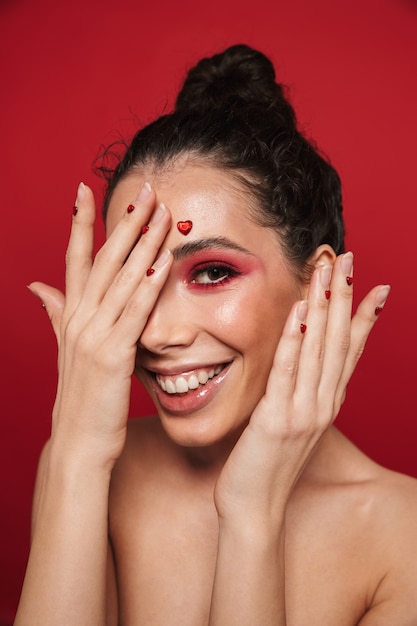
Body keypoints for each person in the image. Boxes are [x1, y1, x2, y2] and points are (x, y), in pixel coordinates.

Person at [15, 44, 417, 625]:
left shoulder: (402, 535)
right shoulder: (89, 469)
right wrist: (74, 452)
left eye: (211, 272)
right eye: (134, 280)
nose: (156, 332)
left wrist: (251, 513)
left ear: (318, 283)